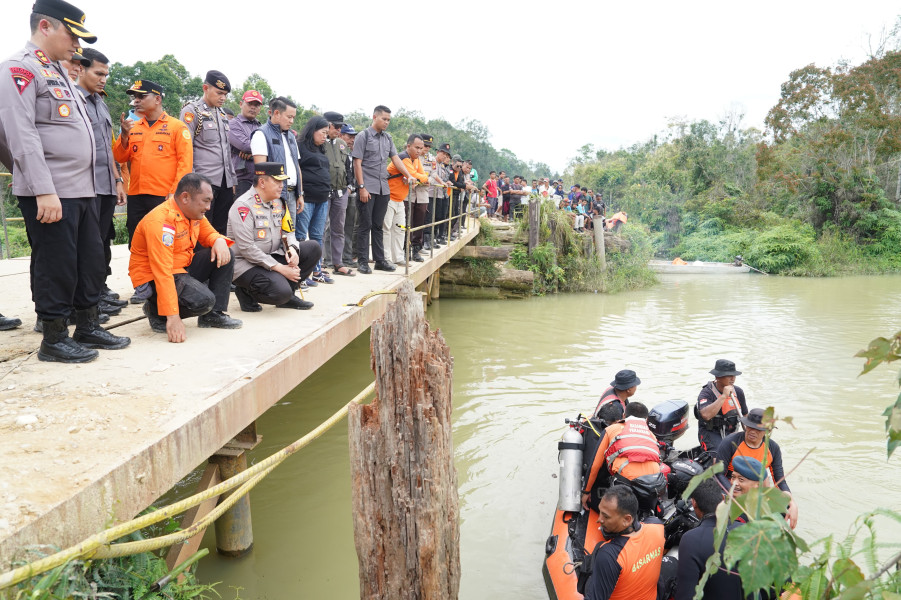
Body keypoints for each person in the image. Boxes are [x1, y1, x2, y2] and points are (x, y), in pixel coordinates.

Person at [0, 0, 130, 363]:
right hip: (52, 192)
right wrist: (42, 188)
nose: (77, 45)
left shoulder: (59, 71)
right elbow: (20, 133)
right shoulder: (20, 69)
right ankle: (54, 338)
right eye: (72, 35)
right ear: (45, 27)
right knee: (56, 263)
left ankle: (87, 325)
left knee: (89, 260)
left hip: (85, 188)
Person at [129, 173, 241, 342]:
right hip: (156, 276)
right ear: (185, 197)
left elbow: (208, 233)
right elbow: (162, 271)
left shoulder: (193, 213)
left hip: (180, 268)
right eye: (206, 200)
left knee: (225, 253)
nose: (209, 207)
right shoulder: (160, 222)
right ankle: (157, 310)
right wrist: (173, 316)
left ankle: (213, 316)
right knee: (204, 301)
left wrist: (218, 239)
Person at [228, 162, 318, 311]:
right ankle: (246, 291)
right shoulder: (243, 206)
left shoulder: (279, 203)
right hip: (247, 264)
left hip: (271, 256)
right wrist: (281, 268)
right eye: (277, 181)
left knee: (313, 248)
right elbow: (247, 248)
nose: (281, 185)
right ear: (262, 182)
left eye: (282, 181)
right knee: (280, 292)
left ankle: (289, 295)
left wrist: (293, 249)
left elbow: (288, 232)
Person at [75, 47, 127, 309]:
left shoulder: (101, 103)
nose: (103, 79)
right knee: (87, 244)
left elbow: (109, 148)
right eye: (99, 73)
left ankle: (98, 289)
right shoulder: (74, 101)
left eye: (106, 74)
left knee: (102, 240)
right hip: (85, 185)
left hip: (106, 183)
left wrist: (118, 180)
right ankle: (88, 297)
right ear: (81, 69)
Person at [113, 79, 193, 244]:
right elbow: (119, 158)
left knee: (163, 243)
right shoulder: (132, 127)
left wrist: (175, 192)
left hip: (163, 197)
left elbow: (185, 164)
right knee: (137, 243)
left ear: (157, 99)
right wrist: (125, 137)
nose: (136, 100)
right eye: (135, 97)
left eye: (142, 96)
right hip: (136, 197)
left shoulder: (177, 127)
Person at [351, 105, 415, 274]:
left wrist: (408, 175)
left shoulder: (388, 138)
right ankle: (363, 261)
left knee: (378, 226)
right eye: (384, 119)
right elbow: (357, 163)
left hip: (383, 189)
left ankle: (380, 260)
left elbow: (395, 159)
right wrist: (362, 187)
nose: (386, 122)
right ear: (374, 117)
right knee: (365, 225)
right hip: (368, 187)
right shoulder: (363, 136)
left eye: (388, 120)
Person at [716, 408, 798, 528]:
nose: (752, 431)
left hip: (754, 490)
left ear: (768, 431)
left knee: (784, 508)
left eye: (758, 429)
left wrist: (792, 502)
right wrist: (732, 493)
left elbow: (779, 480)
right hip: (732, 488)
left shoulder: (772, 448)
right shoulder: (730, 443)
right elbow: (719, 474)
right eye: (749, 427)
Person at [180, 70, 237, 235]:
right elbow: (185, 148)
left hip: (225, 182)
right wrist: (191, 182)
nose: (223, 98)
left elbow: (226, 149)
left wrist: (232, 180)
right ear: (206, 88)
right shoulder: (192, 111)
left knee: (221, 230)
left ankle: (218, 261)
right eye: (219, 93)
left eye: (225, 94)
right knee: (201, 230)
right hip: (204, 182)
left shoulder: (222, 114)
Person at [583, 486, 665, 600]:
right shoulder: (657, 526)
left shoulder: (609, 555)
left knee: (587, 582)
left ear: (627, 519)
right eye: (600, 512)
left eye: (606, 516)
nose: (599, 519)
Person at [582, 402, 662, 511]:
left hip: (626, 485)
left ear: (623, 416)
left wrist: (586, 492)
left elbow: (595, 465)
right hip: (653, 485)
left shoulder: (611, 429)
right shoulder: (651, 435)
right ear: (646, 420)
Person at [674, 478, 745, 600]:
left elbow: (685, 594)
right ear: (723, 499)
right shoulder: (744, 529)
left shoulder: (690, 540)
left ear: (694, 502)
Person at [251, 97, 303, 246]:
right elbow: (260, 170)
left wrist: (300, 193)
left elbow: (296, 166)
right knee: (272, 235)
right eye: (289, 116)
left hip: (292, 194)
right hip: (273, 195)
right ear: (276, 113)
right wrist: (271, 195)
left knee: (289, 235)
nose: (292, 121)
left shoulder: (291, 136)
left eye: (293, 117)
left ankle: (289, 265)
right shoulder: (261, 134)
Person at [296, 115, 333, 285]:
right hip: (307, 198)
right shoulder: (300, 146)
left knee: (318, 236)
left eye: (327, 133)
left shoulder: (321, 149)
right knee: (302, 236)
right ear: (313, 130)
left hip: (322, 198)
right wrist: (300, 194)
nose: (325, 136)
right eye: (323, 132)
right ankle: (300, 275)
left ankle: (316, 271)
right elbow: (298, 172)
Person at [386, 134, 428, 265]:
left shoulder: (416, 160)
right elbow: (416, 175)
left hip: (400, 199)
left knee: (399, 229)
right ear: (408, 146)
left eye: (421, 148)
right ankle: (386, 258)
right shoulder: (404, 158)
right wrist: (418, 178)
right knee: (386, 229)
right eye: (417, 147)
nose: (419, 151)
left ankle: (398, 258)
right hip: (389, 197)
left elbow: (424, 176)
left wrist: (419, 178)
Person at [321, 111, 354, 276]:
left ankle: (337, 263)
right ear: (327, 124)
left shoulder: (341, 143)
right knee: (321, 228)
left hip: (341, 192)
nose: (339, 130)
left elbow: (347, 165)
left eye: (340, 126)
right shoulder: (319, 142)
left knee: (338, 228)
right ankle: (318, 265)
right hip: (324, 191)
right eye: (336, 126)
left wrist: (349, 186)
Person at [696, 359, 749, 452]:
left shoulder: (738, 392)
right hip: (711, 433)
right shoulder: (707, 393)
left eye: (734, 375)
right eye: (728, 375)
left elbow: (745, 415)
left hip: (731, 432)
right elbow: (706, 415)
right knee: (720, 454)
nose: (733, 378)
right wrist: (724, 396)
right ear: (718, 377)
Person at [228, 89, 264, 199]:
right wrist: (261, 151)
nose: (253, 107)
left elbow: (269, 147)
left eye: (256, 105)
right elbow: (245, 145)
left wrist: (253, 154)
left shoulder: (260, 126)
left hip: (259, 179)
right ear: (241, 104)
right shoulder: (233, 124)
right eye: (249, 104)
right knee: (242, 213)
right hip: (241, 179)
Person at [409, 133, 434, 258]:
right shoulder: (411, 158)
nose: (425, 149)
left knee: (419, 222)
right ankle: (406, 248)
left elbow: (432, 177)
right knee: (409, 221)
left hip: (423, 193)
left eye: (428, 146)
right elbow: (411, 173)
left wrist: (423, 179)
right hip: (411, 193)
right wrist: (422, 179)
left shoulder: (431, 159)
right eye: (423, 146)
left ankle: (416, 249)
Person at [340, 124, 359, 268]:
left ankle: (347, 257)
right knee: (333, 228)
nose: (352, 139)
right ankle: (329, 259)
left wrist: (351, 188)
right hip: (336, 194)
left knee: (349, 227)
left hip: (351, 194)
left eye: (353, 137)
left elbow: (353, 175)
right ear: (341, 135)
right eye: (349, 136)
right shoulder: (334, 150)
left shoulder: (352, 153)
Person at [428, 143, 452, 246]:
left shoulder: (442, 166)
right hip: (429, 193)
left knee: (437, 216)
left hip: (439, 194)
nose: (444, 157)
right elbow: (431, 176)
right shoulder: (431, 161)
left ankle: (433, 238)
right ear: (438, 152)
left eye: (446, 156)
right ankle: (426, 240)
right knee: (429, 217)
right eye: (443, 154)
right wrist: (441, 182)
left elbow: (441, 179)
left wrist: (445, 183)